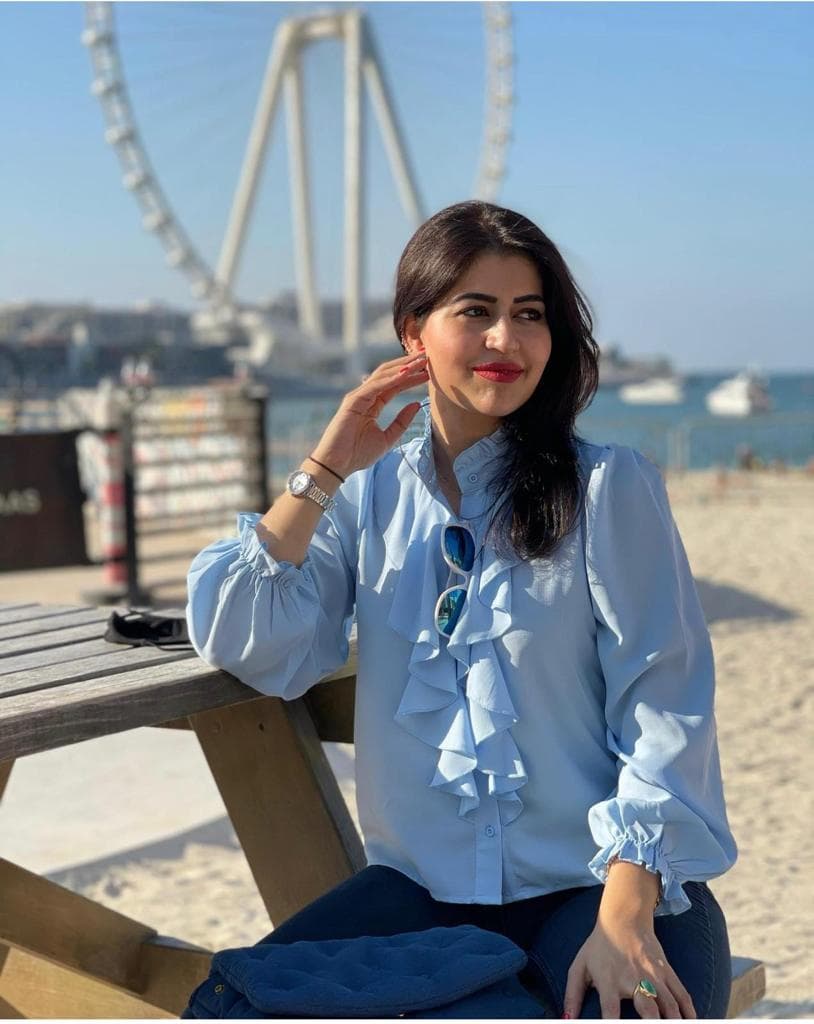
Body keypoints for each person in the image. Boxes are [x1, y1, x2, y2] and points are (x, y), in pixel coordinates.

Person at [186, 200, 738, 1019]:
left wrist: (623, 916)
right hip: (420, 896)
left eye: (530, 314)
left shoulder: (606, 487)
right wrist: (327, 465)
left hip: (603, 887)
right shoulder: (364, 498)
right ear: (413, 331)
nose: (505, 340)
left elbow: (665, 703)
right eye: (475, 311)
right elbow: (247, 641)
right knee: (230, 1006)